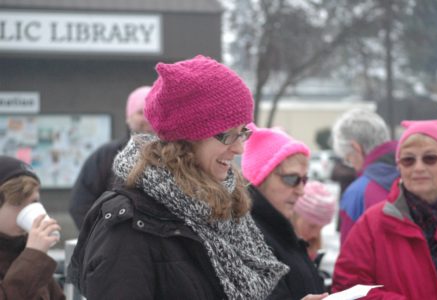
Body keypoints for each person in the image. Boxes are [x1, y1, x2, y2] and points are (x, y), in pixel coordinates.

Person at [67, 55, 289, 300]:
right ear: (187, 140)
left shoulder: (225, 210)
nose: (239, 149)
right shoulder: (128, 230)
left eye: (243, 132)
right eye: (228, 135)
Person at [332, 120, 437, 299]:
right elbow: (347, 289)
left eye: (430, 158)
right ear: (399, 167)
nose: (419, 167)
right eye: (408, 160)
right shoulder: (371, 224)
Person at [241, 124, 328, 300]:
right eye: (291, 179)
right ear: (261, 178)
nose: (301, 190)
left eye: (304, 180)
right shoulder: (246, 236)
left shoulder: (281, 232)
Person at [69, 86, 153, 229]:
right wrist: (99, 237)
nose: (146, 118)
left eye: (152, 112)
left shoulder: (173, 156)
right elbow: (80, 203)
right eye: (140, 112)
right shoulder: (106, 155)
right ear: (128, 117)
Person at [0, 155, 65, 300]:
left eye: (34, 202)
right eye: (18, 203)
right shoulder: (32, 256)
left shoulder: (23, 249)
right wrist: (33, 256)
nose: (29, 210)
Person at [331, 108, 399, 243]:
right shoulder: (416, 175)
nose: (353, 167)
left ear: (356, 148)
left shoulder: (358, 193)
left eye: (348, 158)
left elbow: (350, 258)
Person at [292, 181, 336, 261]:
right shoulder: (277, 245)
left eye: (321, 228)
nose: (315, 234)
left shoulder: (314, 248)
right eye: (312, 226)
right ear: (295, 216)